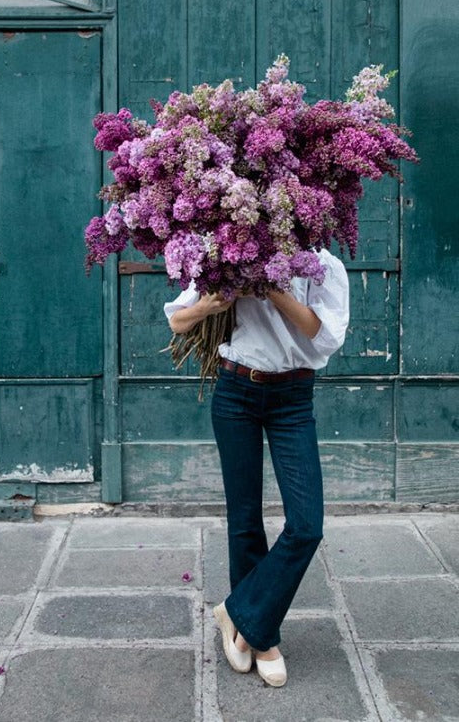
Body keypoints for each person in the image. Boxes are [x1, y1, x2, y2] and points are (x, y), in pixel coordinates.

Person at [163, 248, 349, 687]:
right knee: (244, 520)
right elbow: (177, 321)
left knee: (306, 526)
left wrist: (273, 289)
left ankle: (235, 610)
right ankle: (261, 638)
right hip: (236, 392)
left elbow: (324, 338)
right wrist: (214, 302)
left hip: (293, 399)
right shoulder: (230, 254)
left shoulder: (323, 264)